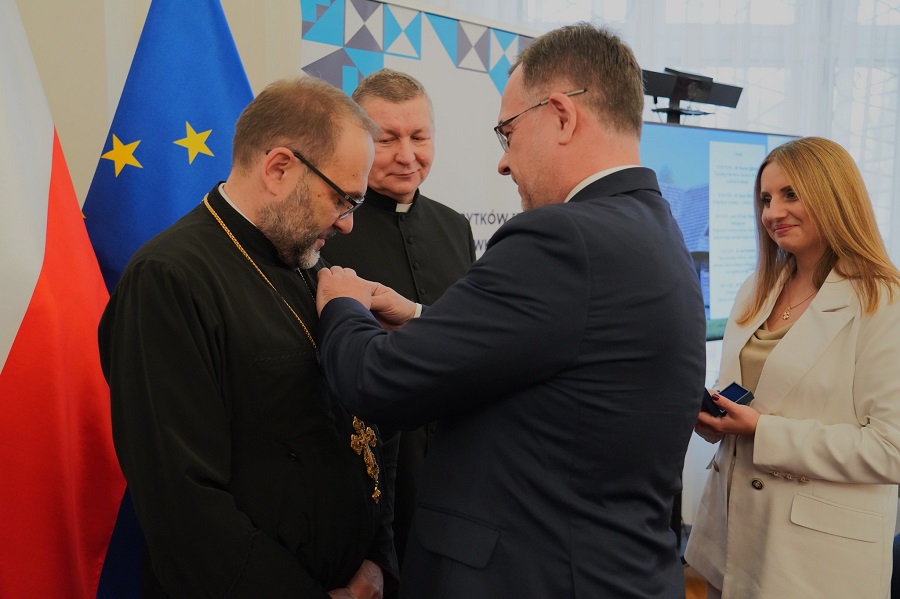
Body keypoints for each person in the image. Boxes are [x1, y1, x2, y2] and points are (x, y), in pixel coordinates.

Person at [313, 23, 707, 598]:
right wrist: (421, 317)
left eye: (509, 133)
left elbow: (378, 381)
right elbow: (547, 348)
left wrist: (343, 305)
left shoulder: (562, 238)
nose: (503, 163)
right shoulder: (657, 227)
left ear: (562, 116)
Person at [98, 76, 399, 598]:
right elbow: (183, 505)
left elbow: (366, 427)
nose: (347, 225)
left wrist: (378, 559)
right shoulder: (168, 280)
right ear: (279, 168)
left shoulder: (307, 260)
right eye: (342, 200)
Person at [684, 137, 900, 599]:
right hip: (734, 538)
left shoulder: (884, 300)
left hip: (816, 560)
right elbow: (751, 388)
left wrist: (762, 430)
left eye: (790, 194)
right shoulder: (757, 287)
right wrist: (718, 417)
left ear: (835, 196)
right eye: (765, 199)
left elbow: (891, 449)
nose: (773, 213)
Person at [321, 68, 476, 577]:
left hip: (455, 467)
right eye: (387, 139)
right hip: (362, 469)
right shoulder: (328, 229)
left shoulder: (454, 226)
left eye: (420, 137)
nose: (407, 156)